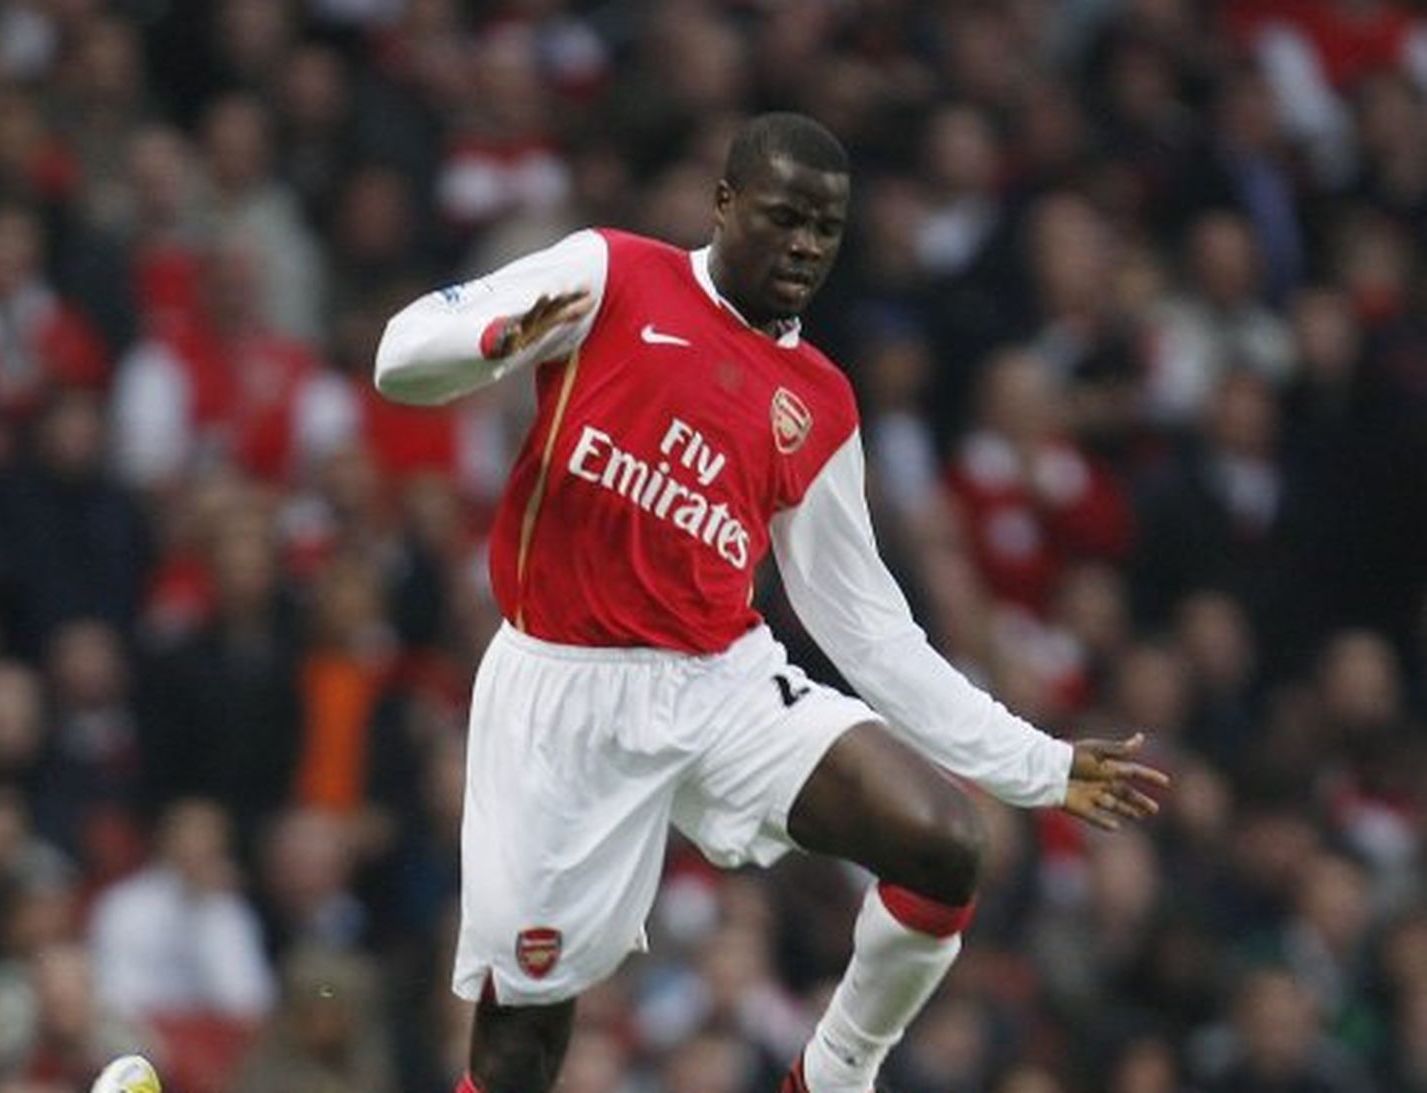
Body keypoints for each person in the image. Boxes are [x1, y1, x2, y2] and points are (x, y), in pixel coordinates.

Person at [374, 112, 1169, 1093]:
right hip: (558, 696)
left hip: (718, 683)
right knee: (518, 1056)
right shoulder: (612, 272)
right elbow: (401, 354)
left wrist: (1037, 765)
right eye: (783, 216)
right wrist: (488, 343)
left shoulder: (818, 402)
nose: (803, 244)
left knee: (942, 843)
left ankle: (831, 1077)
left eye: (825, 229)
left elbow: (868, 629)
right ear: (722, 203)